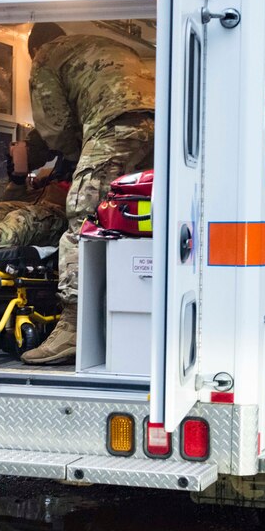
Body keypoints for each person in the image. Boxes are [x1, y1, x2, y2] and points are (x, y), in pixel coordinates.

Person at [20, 23, 155, 365]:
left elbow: (56, 125)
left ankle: (73, 328)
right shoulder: (96, 45)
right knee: (130, 220)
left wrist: (66, 157)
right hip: (159, 126)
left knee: (84, 223)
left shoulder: (46, 57)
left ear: (34, 49)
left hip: (114, 126)